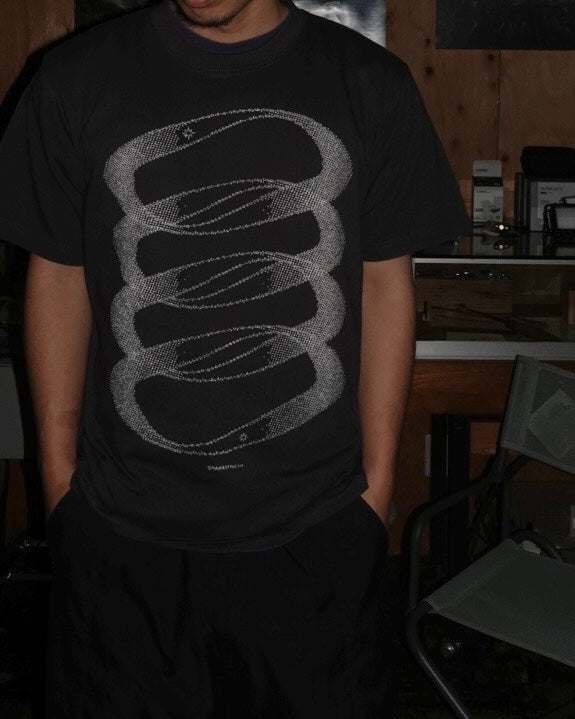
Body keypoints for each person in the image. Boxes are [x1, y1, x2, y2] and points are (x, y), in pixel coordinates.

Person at [0, 0, 468, 715]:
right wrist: (60, 484)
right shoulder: (74, 78)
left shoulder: (370, 83)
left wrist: (373, 494)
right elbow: (59, 274)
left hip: (315, 532)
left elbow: (384, 283)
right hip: (119, 534)